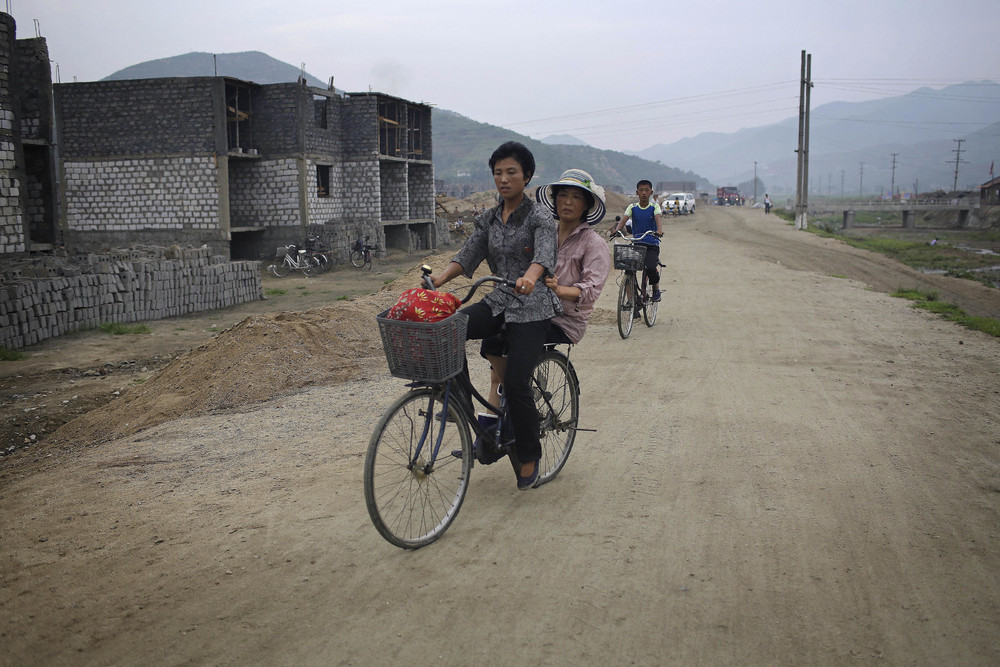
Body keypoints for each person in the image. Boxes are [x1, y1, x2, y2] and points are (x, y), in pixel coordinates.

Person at [427, 141, 558, 490]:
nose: (503, 179)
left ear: (526, 176)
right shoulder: (487, 218)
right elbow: (467, 255)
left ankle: (529, 456)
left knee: (515, 383)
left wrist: (530, 278)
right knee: (450, 327)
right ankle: (459, 401)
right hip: (500, 299)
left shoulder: (541, 217)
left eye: (511, 172)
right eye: (498, 173)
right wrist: (438, 279)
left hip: (533, 307)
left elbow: (543, 257)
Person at [477, 169, 612, 438]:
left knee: (510, 351)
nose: (568, 202)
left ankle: (513, 404)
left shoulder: (593, 243)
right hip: (529, 310)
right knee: (491, 343)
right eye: (563, 195)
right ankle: (488, 437)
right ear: (554, 199)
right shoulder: (543, 232)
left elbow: (591, 289)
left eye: (576, 197)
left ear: (586, 205)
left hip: (563, 320)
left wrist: (559, 289)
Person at [609, 179, 664, 301]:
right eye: (641, 190)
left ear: (651, 192)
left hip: (651, 244)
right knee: (628, 268)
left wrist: (659, 231)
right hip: (637, 243)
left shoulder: (654, 206)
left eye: (647, 190)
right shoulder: (632, 207)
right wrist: (617, 230)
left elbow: (658, 219)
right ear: (637, 192)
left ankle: (655, 288)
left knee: (650, 267)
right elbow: (624, 219)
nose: (644, 193)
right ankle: (631, 300)